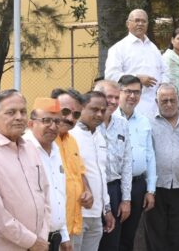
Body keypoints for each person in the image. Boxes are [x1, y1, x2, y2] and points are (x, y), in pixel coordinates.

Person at [0, 89, 50, 251]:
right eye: (11, 112)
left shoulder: (30, 148)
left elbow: (45, 195)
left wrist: (42, 236)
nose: (19, 117)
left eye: (23, 112)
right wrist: (30, 241)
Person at [145, 84, 179, 251]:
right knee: (155, 235)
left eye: (172, 100)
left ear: (178, 99)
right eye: (164, 101)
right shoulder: (148, 122)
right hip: (156, 187)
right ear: (156, 101)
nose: (169, 104)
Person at [114, 77, 157, 251]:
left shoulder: (144, 121)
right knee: (112, 235)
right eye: (128, 91)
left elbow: (150, 155)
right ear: (119, 92)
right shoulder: (110, 119)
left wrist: (150, 190)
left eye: (137, 92)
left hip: (137, 185)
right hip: (115, 186)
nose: (132, 96)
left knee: (128, 237)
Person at [25, 98, 73, 251]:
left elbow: (58, 194)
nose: (53, 127)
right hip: (31, 241)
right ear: (31, 124)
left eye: (57, 121)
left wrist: (64, 235)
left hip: (54, 238)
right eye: (46, 120)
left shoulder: (55, 150)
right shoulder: (21, 148)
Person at [69, 89, 114, 251]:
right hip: (77, 213)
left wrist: (107, 209)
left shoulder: (100, 136)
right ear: (81, 108)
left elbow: (101, 175)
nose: (99, 114)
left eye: (103, 110)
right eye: (94, 109)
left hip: (96, 215)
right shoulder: (71, 135)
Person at [104, 8, 168, 118]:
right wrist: (137, 78)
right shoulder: (118, 48)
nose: (140, 24)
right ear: (128, 24)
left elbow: (165, 71)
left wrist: (163, 86)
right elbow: (111, 76)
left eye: (144, 21)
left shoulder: (153, 48)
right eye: (137, 20)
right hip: (130, 109)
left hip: (155, 109)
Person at [50, 92, 93, 249]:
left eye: (76, 114)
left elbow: (80, 172)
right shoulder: (42, 141)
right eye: (65, 111)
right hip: (51, 231)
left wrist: (87, 191)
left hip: (72, 226)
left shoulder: (72, 140)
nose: (70, 118)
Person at [95, 82, 133, 251]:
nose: (113, 101)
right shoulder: (88, 125)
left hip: (114, 190)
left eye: (116, 97)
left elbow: (127, 162)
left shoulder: (122, 123)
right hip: (93, 191)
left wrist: (126, 199)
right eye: (109, 97)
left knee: (112, 242)